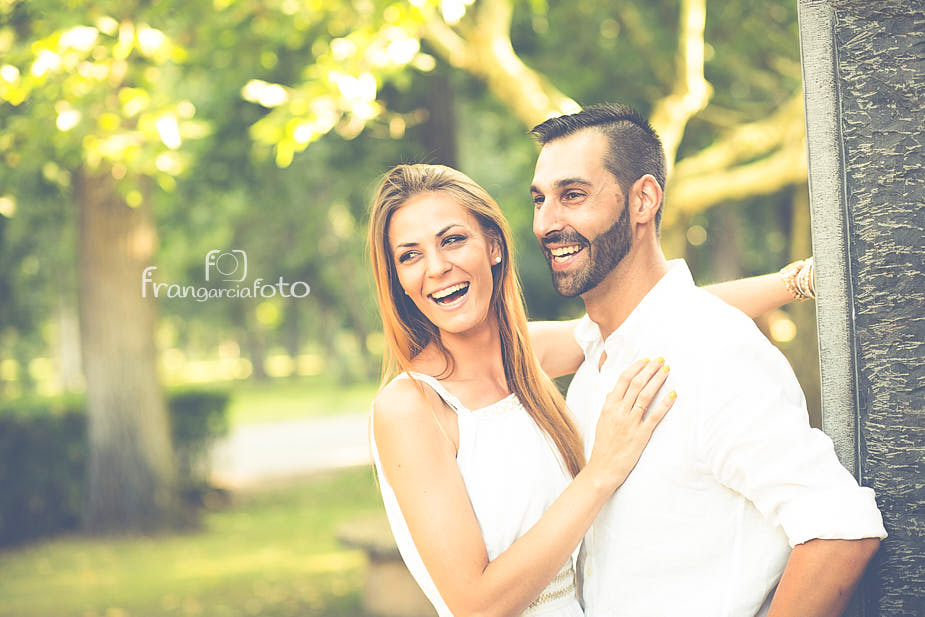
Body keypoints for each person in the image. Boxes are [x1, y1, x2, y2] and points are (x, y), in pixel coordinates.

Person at [367, 163, 811, 617]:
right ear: (398, 279)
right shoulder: (410, 407)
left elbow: (659, 315)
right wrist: (601, 471)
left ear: (494, 246)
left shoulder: (526, 358)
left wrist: (797, 281)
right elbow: (476, 605)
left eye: (452, 240)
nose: (437, 267)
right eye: (410, 255)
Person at [528, 104, 886, 617]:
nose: (547, 223)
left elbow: (841, 528)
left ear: (643, 200)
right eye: (539, 200)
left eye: (573, 196)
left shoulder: (712, 351)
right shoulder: (594, 367)